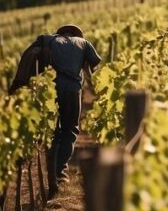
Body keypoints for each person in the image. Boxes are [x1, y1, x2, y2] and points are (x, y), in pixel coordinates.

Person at [10, 24, 101, 188]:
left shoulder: (47, 40)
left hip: (49, 89)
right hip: (72, 90)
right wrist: (96, 93)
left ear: (61, 33)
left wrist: (21, 83)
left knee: (53, 131)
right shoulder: (83, 43)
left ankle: (52, 173)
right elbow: (90, 69)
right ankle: (60, 173)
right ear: (76, 34)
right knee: (70, 129)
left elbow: (29, 56)